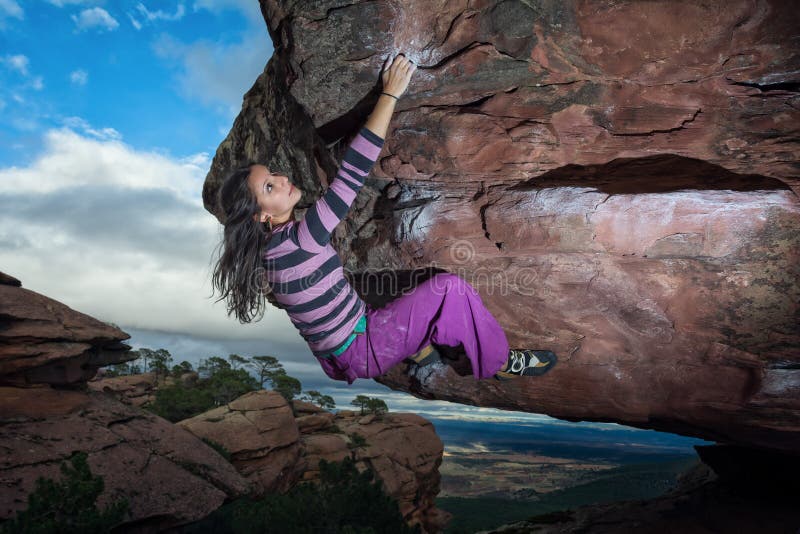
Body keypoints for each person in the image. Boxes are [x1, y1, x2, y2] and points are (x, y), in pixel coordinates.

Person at [211, 53, 557, 385]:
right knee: (451, 289)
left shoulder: (271, 250)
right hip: (363, 349)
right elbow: (352, 173)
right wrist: (390, 93)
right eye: (270, 186)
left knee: (383, 284)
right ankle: (500, 362)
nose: (283, 179)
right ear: (260, 214)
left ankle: (420, 348)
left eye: (273, 173)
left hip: (341, 352)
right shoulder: (301, 240)